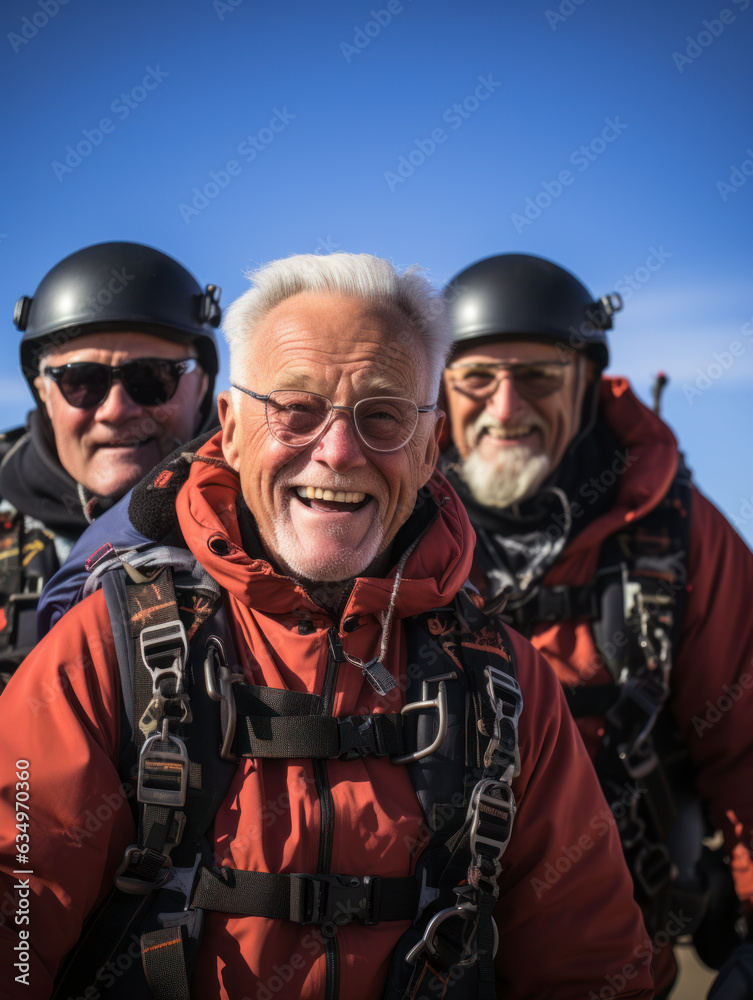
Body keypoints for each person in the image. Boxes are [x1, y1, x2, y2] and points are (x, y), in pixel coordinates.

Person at [0, 253, 653, 1000]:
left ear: (429, 443)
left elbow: (591, 965)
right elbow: (18, 906)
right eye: (294, 409)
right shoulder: (106, 650)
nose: (337, 453)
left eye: (382, 415)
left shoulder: (504, 681)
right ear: (233, 428)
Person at [440, 251, 753, 998]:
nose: (505, 407)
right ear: (437, 389)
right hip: (419, 945)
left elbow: (746, 749)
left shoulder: (678, 535)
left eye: (539, 378)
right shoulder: (385, 523)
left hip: (618, 954)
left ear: (586, 380)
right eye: (476, 379)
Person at [0, 241, 221, 682]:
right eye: (81, 381)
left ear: (203, 386)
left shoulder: (272, 519)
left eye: (152, 378)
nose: (116, 410)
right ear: (42, 392)